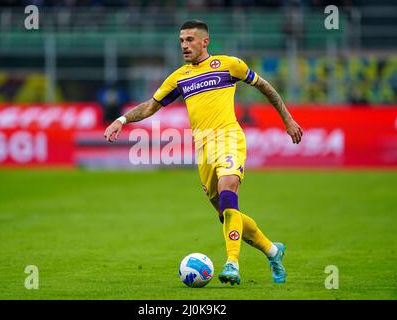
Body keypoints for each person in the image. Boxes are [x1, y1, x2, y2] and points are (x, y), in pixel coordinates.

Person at [104, 20, 303, 286]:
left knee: (229, 191)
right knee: (226, 213)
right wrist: (122, 120)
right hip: (203, 148)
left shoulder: (229, 65)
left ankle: (232, 263)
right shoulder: (179, 77)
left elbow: (265, 86)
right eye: (181, 41)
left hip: (230, 137)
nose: (184, 45)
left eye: (189, 40)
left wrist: (288, 120)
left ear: (204, 41)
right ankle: (272, 251)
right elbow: (151, 106)